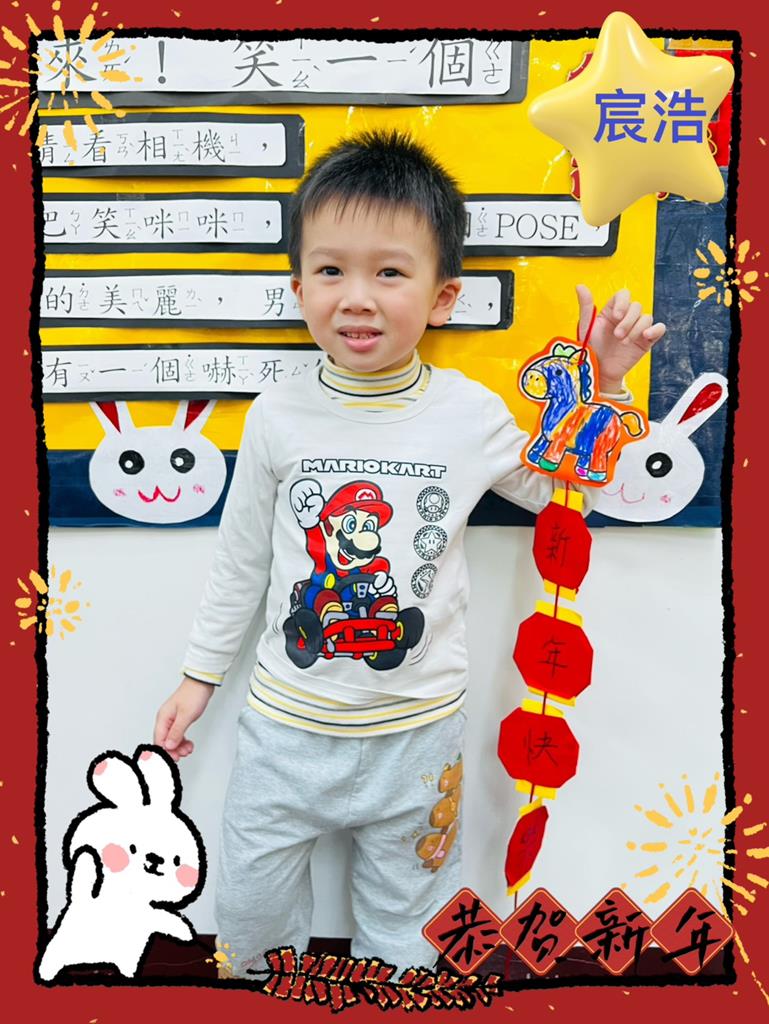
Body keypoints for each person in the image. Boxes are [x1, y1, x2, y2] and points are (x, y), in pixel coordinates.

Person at [153, 128, 666, 974]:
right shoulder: (278, 415)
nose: (356, 298)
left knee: (411, 933)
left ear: (442, 297)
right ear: (298, 288)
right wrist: (197, 677)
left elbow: (565, 494)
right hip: (285, 733)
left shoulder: (468, 415)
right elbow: (241, 562)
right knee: (247, 923)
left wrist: (606, 384)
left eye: (389, 273)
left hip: (419, 738)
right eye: (330, 271)